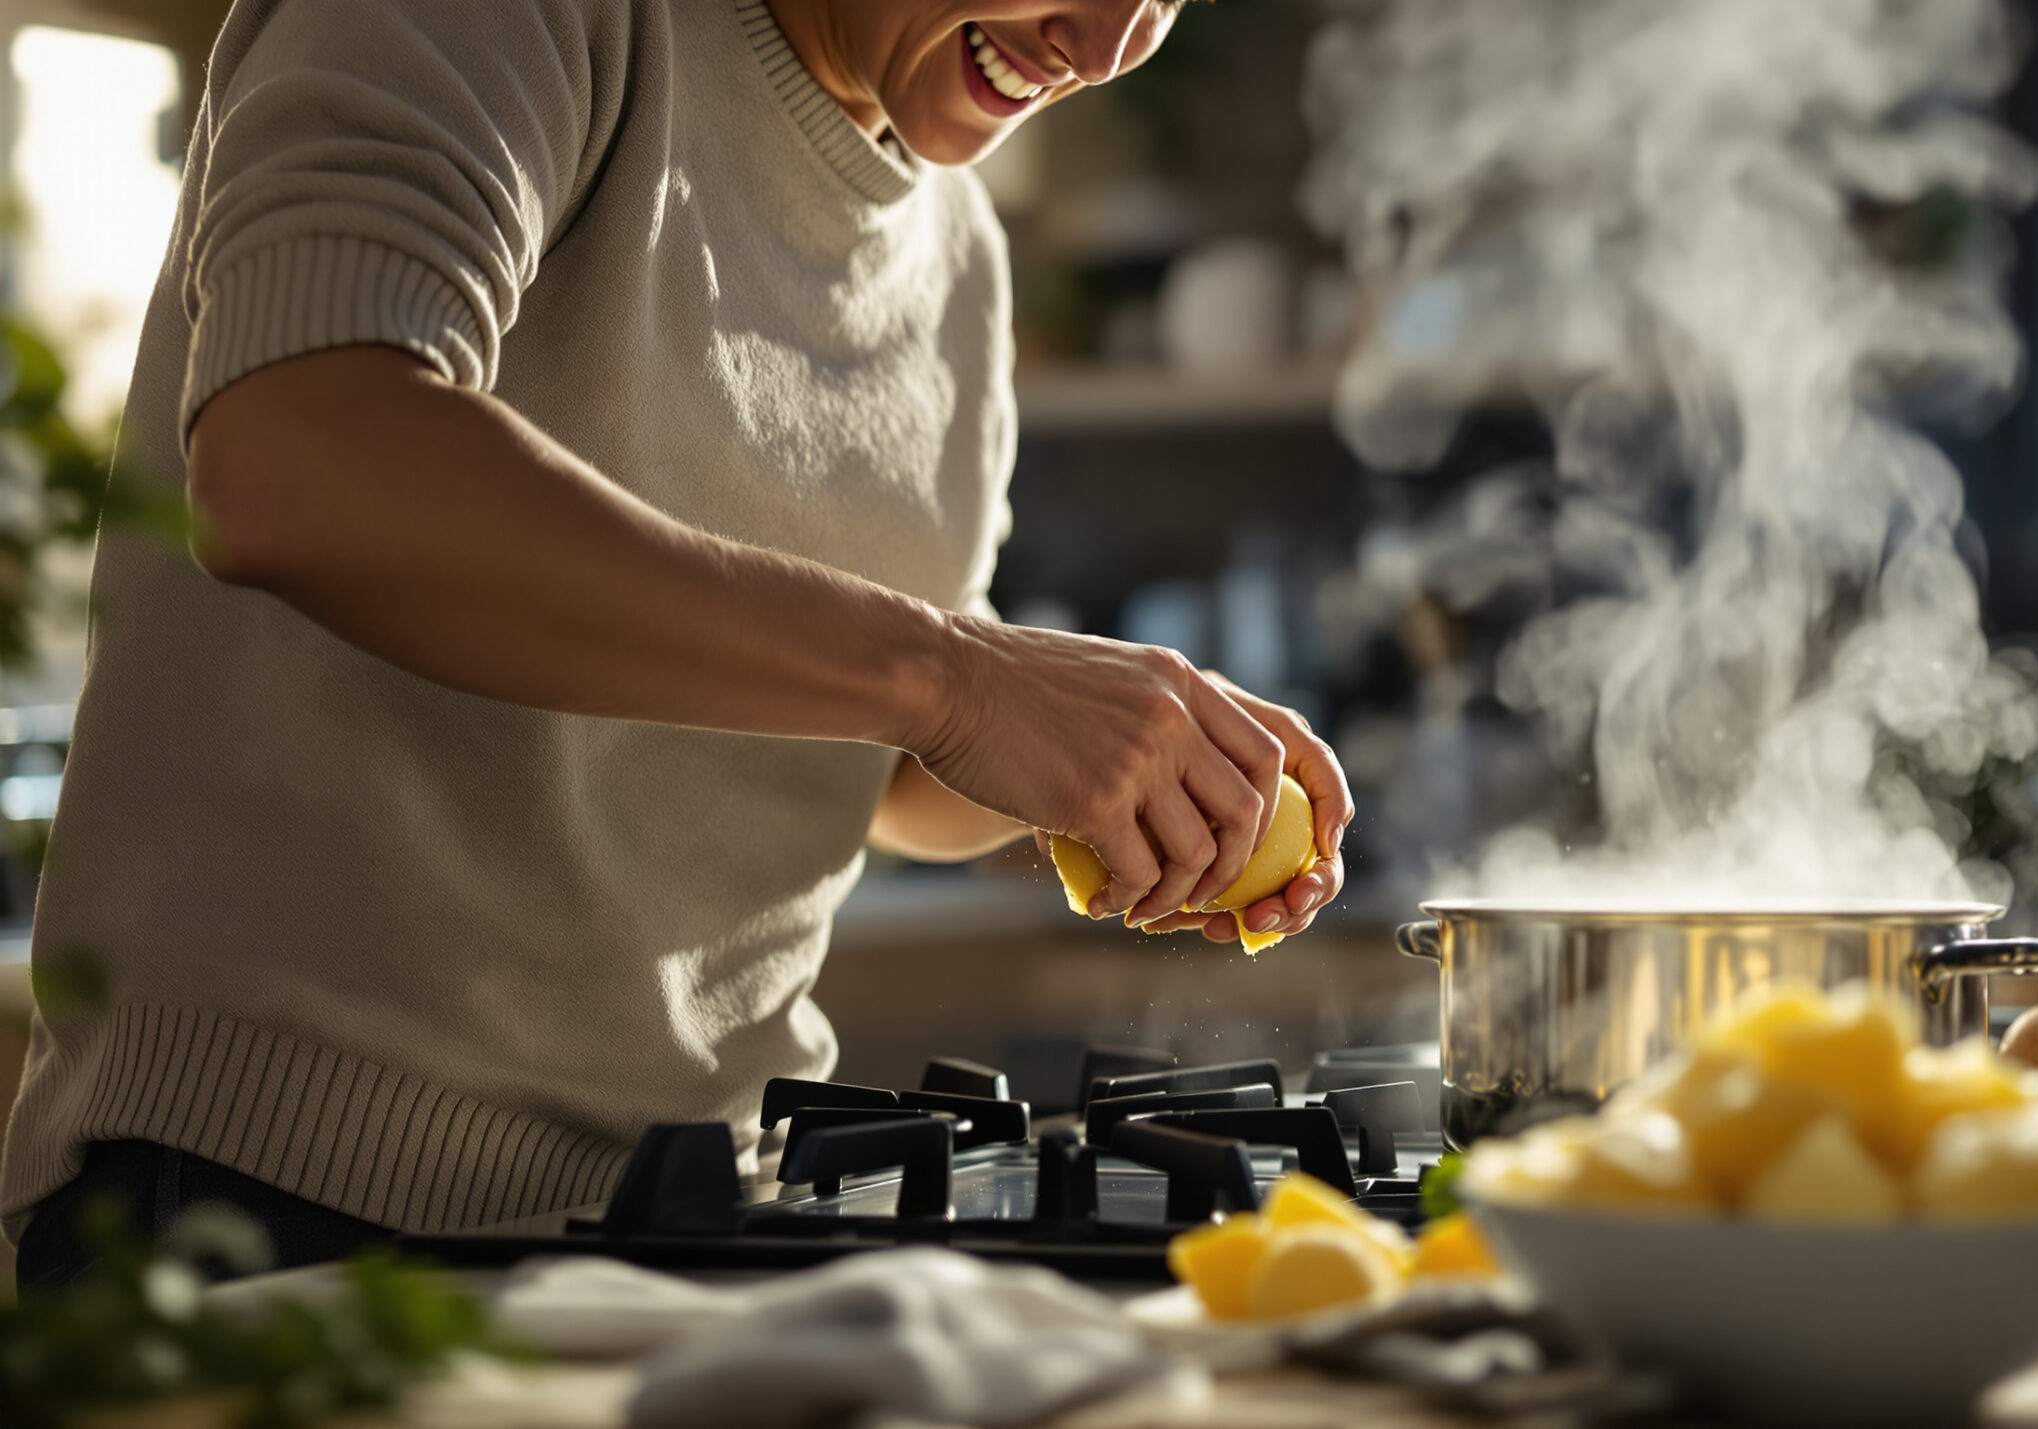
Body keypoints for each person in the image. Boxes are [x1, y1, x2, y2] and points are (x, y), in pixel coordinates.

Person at [4, 0, 1351, 1287]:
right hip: (283, 1198)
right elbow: (299, 461)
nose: (1113, 43)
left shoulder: (959, 257)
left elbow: (868, 753)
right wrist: (960, 678)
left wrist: (1122, 755)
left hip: (698, 1208)